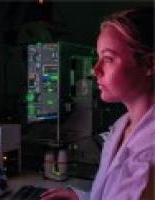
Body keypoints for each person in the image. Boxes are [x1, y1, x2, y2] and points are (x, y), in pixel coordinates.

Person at [41, 6, 154, 200]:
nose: (95, 70)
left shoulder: (150, 154)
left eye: (108, 59)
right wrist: (81, 198)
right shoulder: (124, 124)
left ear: (149, 65)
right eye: (99, 57)